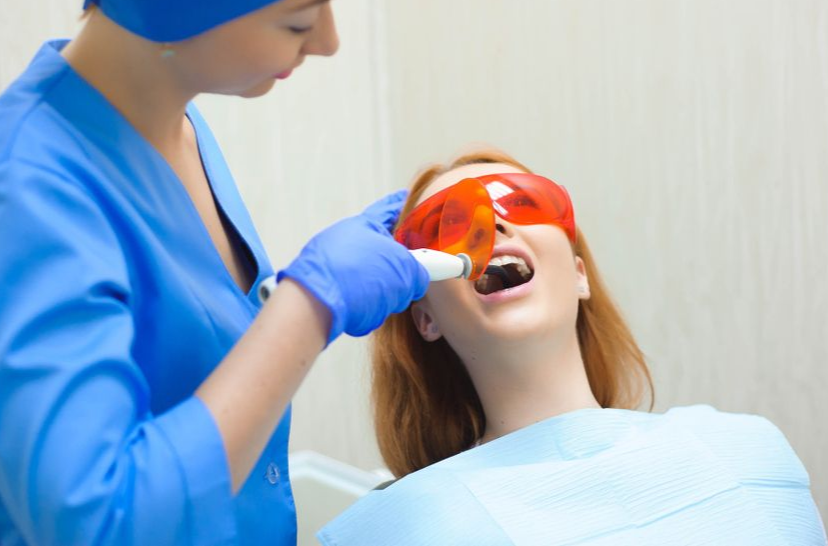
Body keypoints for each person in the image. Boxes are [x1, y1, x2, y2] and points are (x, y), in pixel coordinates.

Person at [0, 1, 429, 544]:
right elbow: (97, 522)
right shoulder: (25, 189)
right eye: (297, 21)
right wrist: (310, 307)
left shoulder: (175, 123)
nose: (327, 42)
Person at [317, 149, 827, 545]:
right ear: (426, 319)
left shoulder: (745, 451)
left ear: (579, 274)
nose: (490, 225)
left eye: (521, 201)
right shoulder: (399, 527)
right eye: (445, 222)